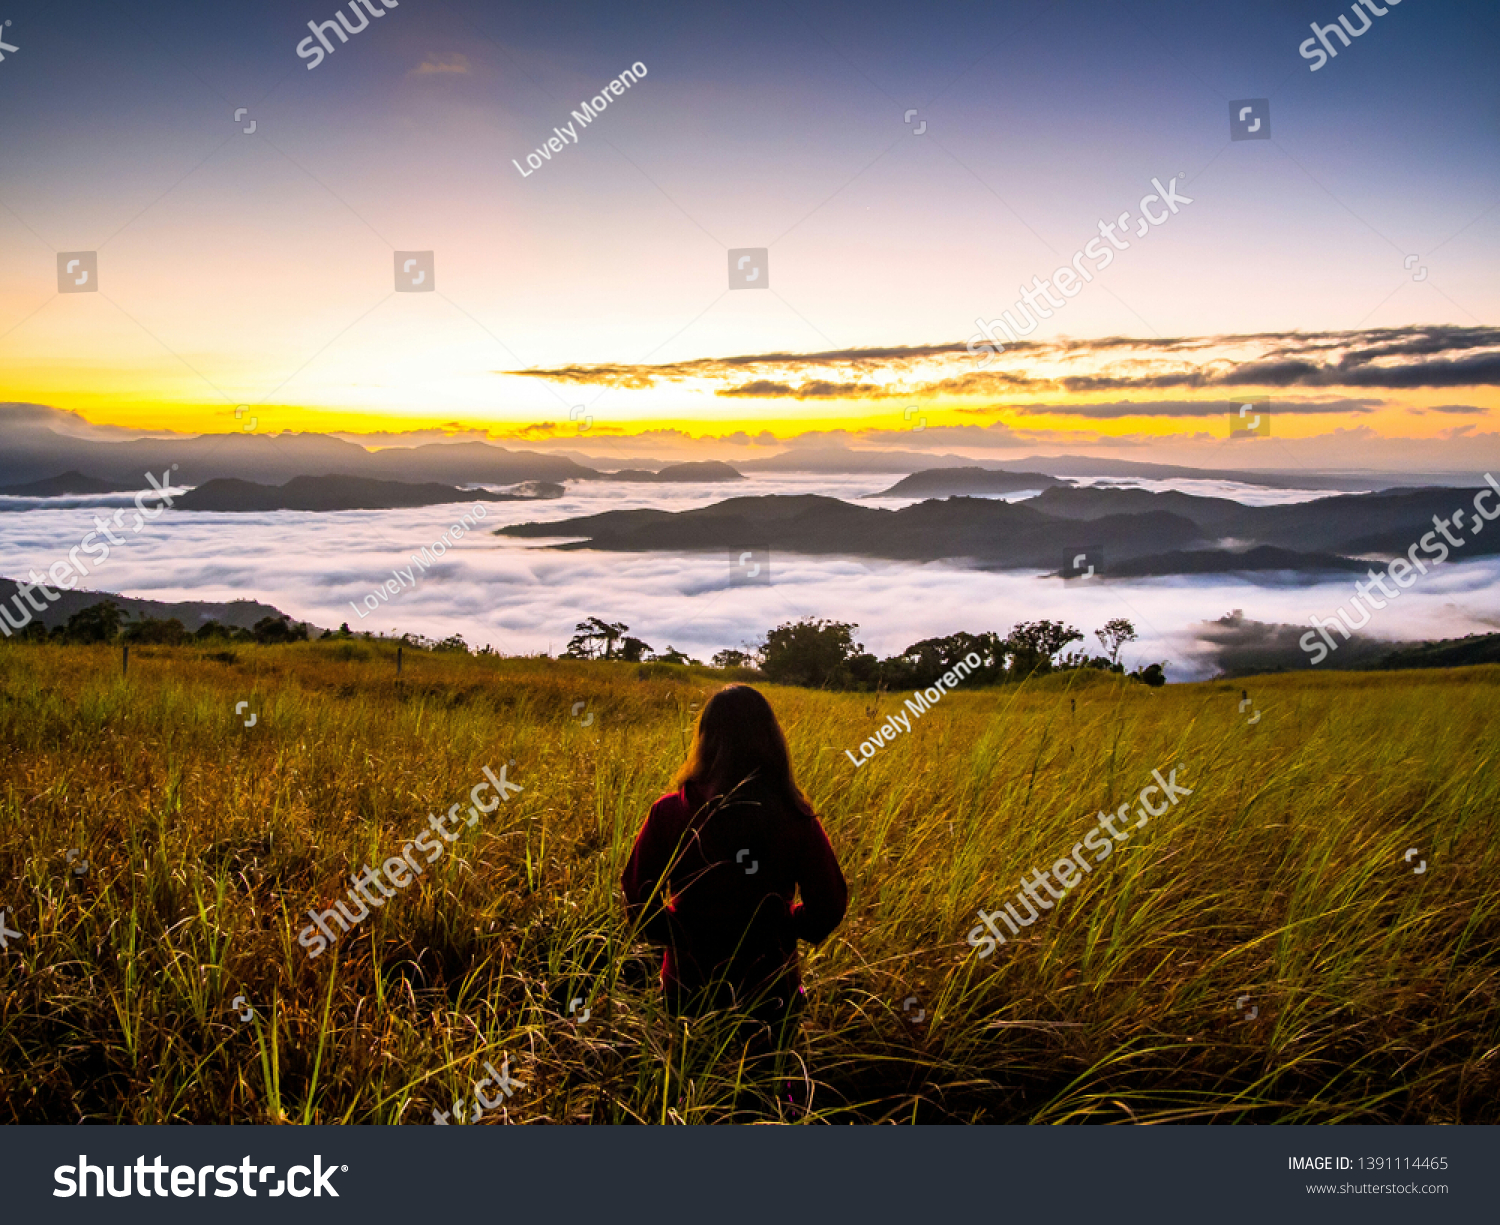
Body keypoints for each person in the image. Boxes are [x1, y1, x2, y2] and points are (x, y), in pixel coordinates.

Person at [622, 684, 847, 1042]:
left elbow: (638, 894)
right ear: (771, 740)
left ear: (706, 738)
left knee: (686, 1086)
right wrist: (785, 925)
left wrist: (682, 936)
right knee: (773, 1088)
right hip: (772, 986)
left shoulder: (671, 811)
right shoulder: (795, 817)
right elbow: (829, 905)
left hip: (687, 983)